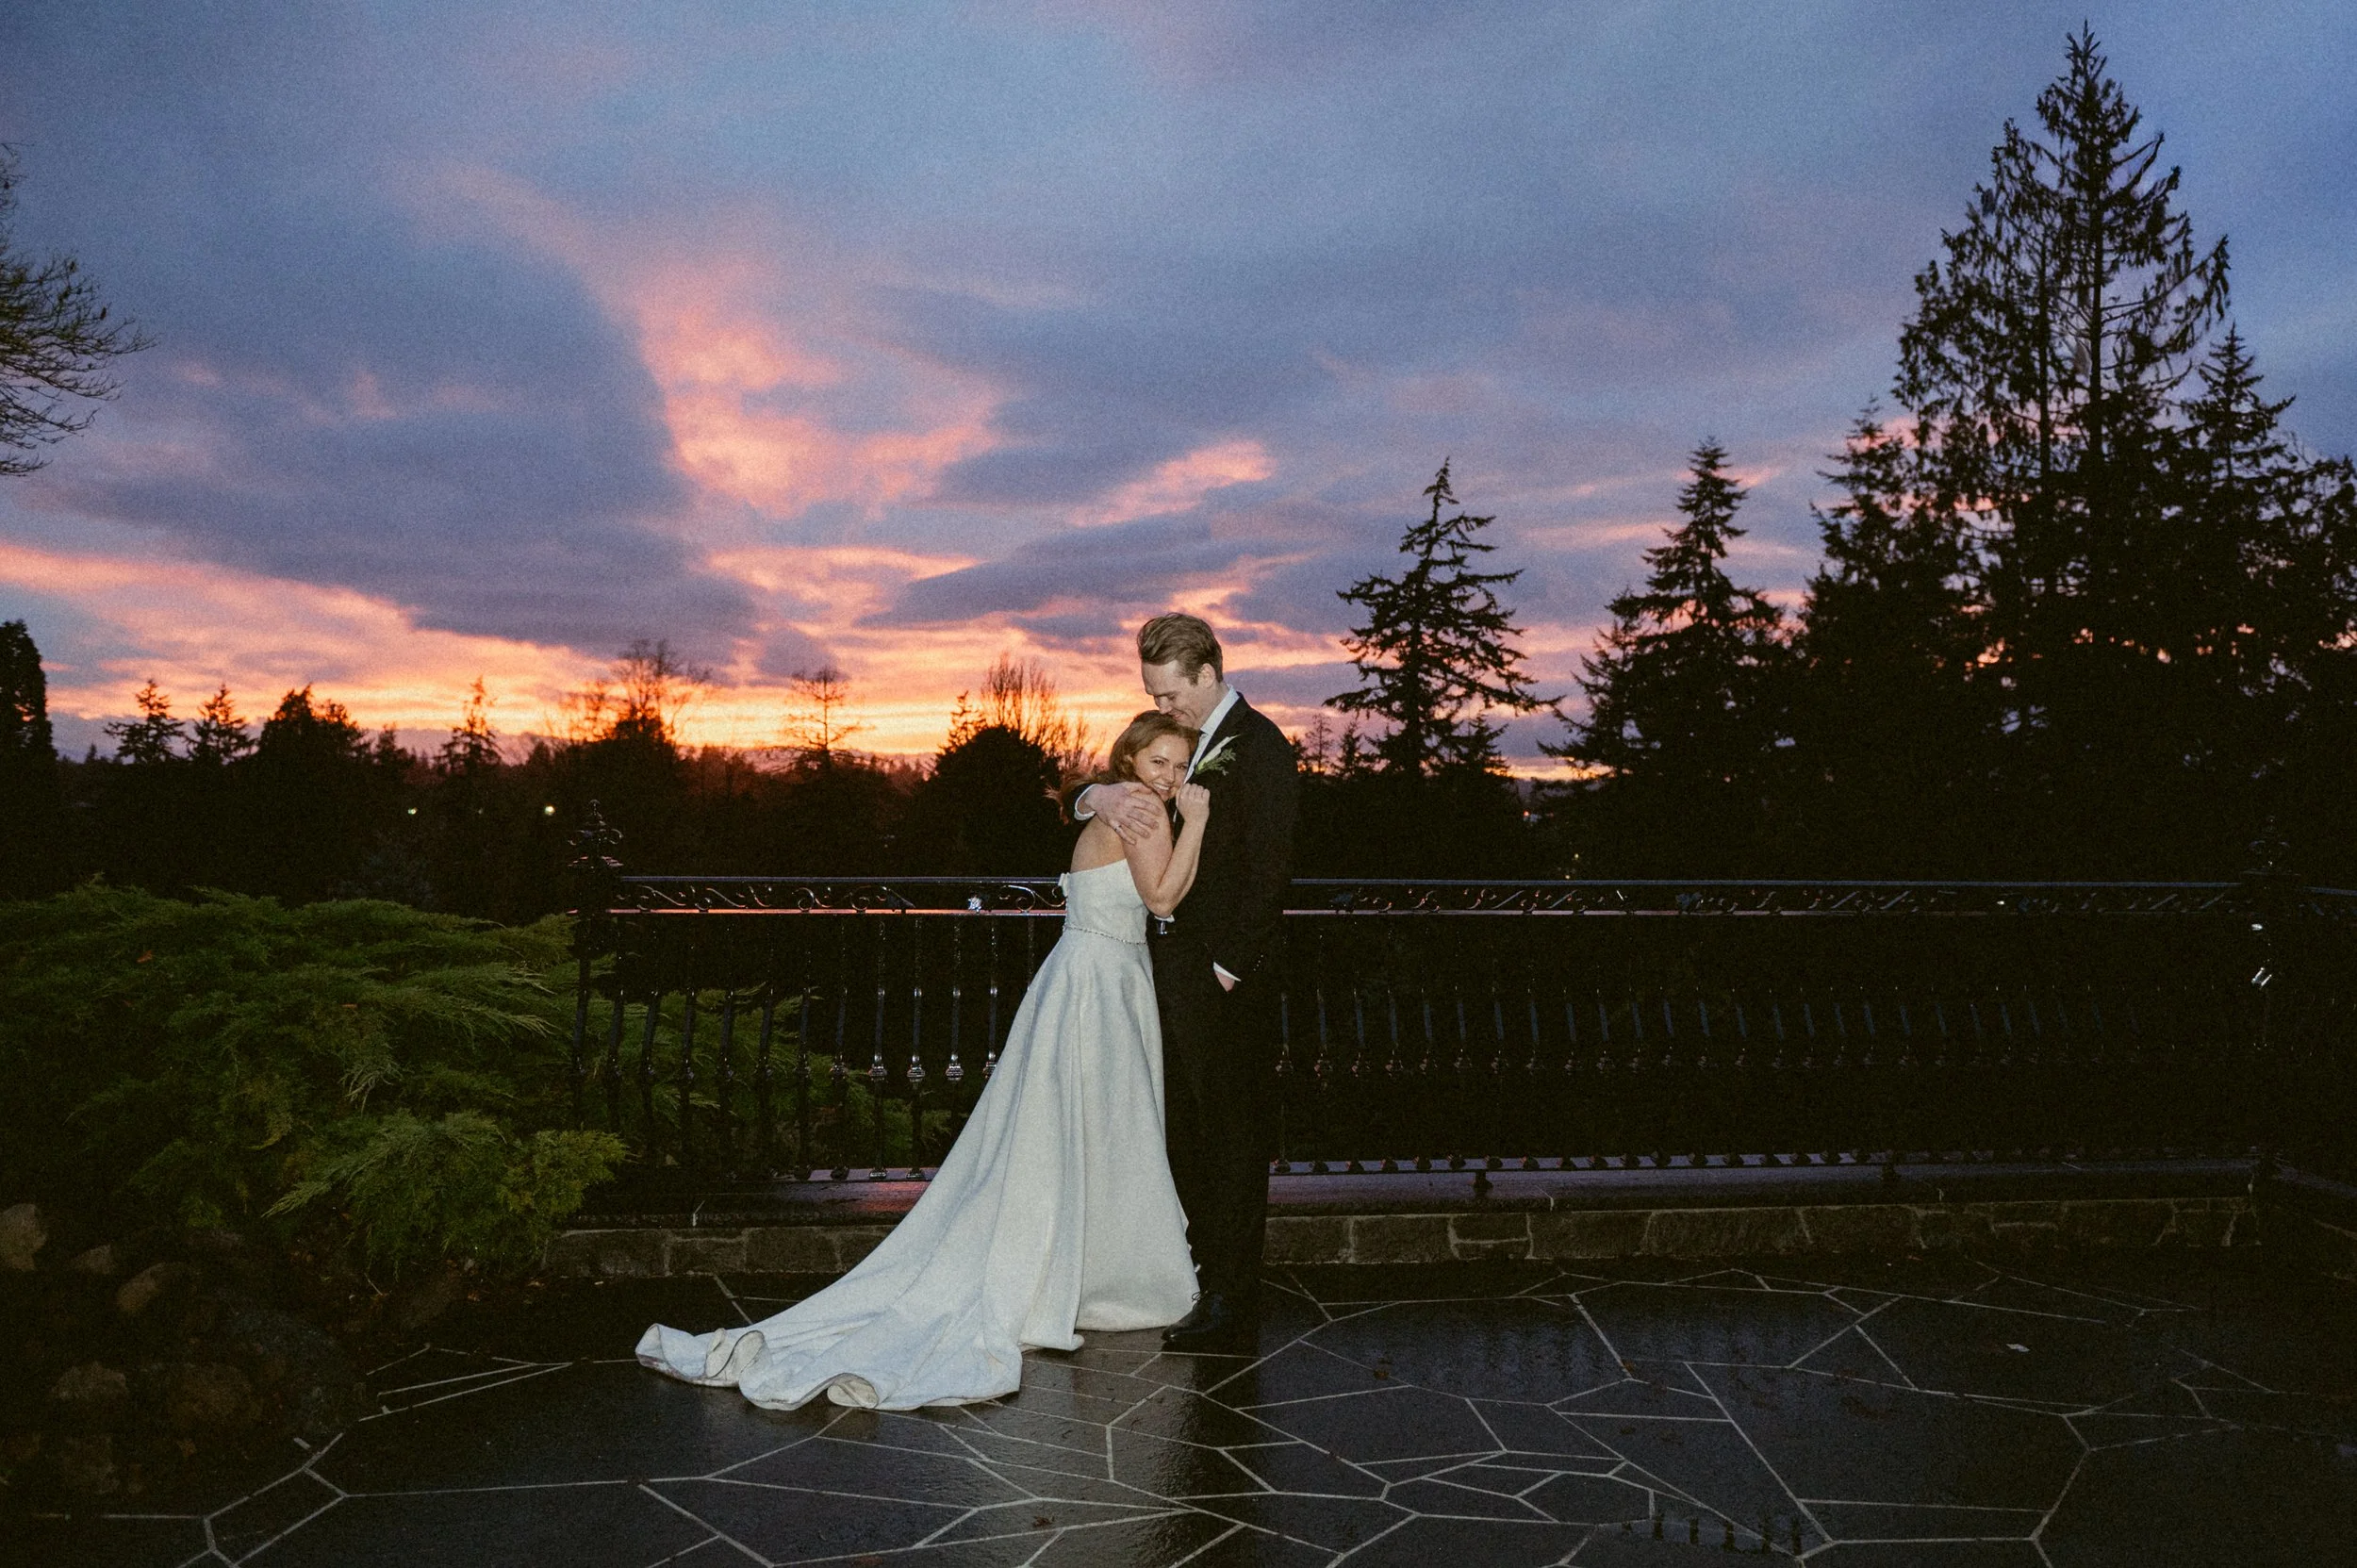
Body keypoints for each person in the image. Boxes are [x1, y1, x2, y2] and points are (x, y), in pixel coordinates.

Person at [635, 711, 1210, 1411]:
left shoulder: (1123, 802)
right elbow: (1163, 896)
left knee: (1087, 1134)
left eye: (1181, 765)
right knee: (1098, 1131)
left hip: (1094, 976)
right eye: (1158, 761)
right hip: (1099, 983)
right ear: (1131, 761)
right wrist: (1198, 817)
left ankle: (1086, 1272)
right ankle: (1101, 1280)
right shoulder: (1144, 810)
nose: (1170, 777)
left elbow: (1084, 808)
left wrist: (1104, 794)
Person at [1077, 613, 1300, 1352]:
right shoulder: (1185, 743)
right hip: (1165, 978)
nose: (1161, 707)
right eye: (1154, 695)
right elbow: (1119, 777)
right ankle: (1199, 1276)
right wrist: (1094, 795)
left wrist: (1225, 970)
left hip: (1220, 985)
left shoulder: (1261, 748)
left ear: (1206, 674)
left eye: (1169, 694)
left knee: (1233, 1141)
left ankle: (1233, 1303)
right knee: (1189, 1138)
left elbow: (1270, 872)